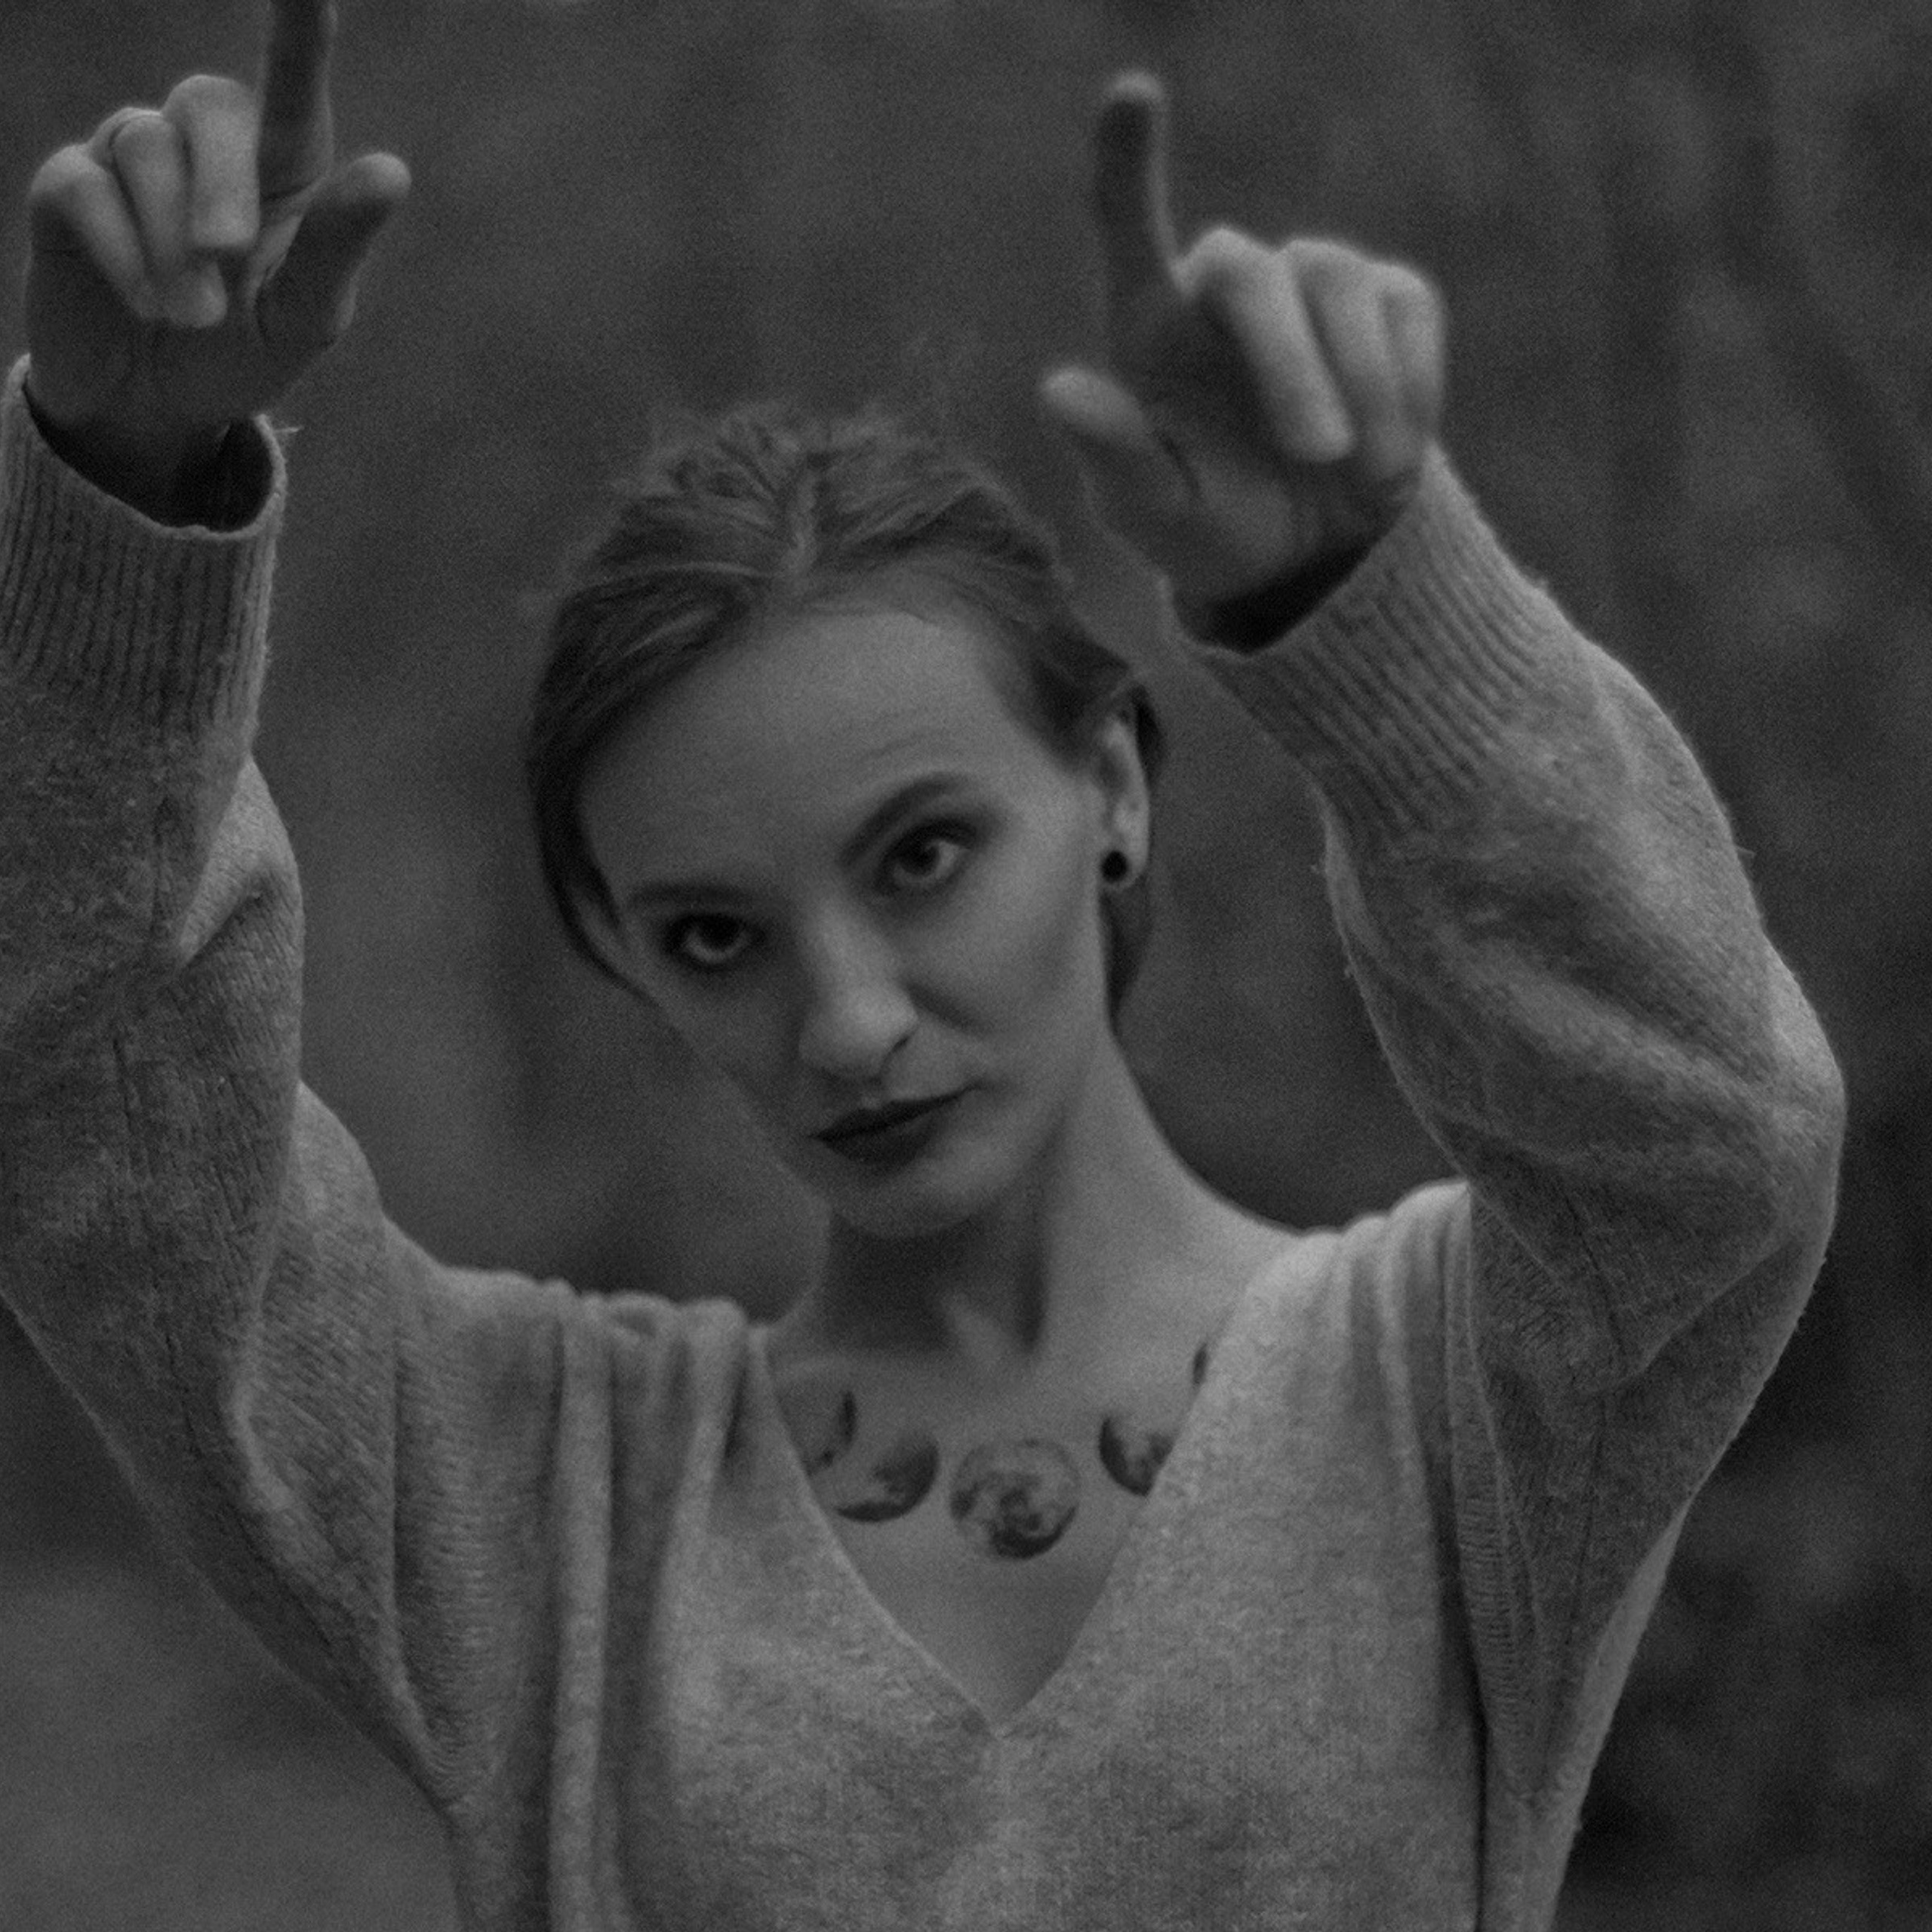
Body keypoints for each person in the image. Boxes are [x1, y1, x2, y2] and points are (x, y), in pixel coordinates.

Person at [0, 1, 1844, 1927]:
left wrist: (1372, 619)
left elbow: (1704, 1143)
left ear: (1109, 787)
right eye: (714, 935)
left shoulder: (1452, 1388)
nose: (848, 1019)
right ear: (624, 959)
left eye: (923, 855)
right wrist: (121, 509)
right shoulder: (540, 1494)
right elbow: (104, 1123)